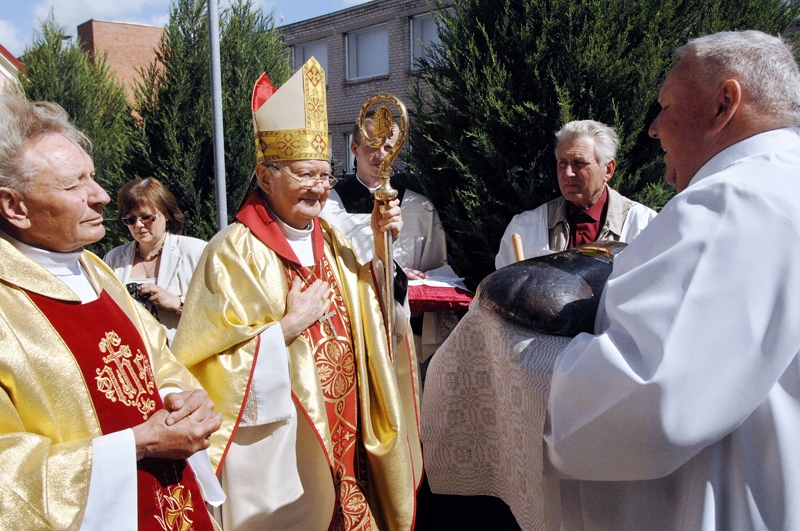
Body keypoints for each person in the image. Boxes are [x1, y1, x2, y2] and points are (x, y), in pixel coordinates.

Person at [544, 30, 800, 529]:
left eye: (664, 106)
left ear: (725, 103)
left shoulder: (733, 201)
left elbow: (647, 396)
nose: (655, 129)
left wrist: (523, 360)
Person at [171, 57, 422, 530]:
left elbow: (377, 314)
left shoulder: (334, 236)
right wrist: (285, 327)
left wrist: (383, 256)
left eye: (325, 176)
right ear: (266, 177)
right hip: (285, 442)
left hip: (349, 425)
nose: (320, 189)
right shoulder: (231, 253)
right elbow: (201, 364)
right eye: (305, 175)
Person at [0, 88, 223, 529]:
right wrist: (136, 445)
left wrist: (186, 400)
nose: (101, 195)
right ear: (13, 206)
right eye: (74, 185)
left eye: (92, 176)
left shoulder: (96, 271)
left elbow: (158, 360)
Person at [322, 113, 453, 362]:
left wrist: (412, 281)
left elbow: (436, 275)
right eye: (372, 145)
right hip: (351, 332)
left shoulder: (420, 207)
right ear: (354, 148)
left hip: (404, 333)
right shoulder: (327, 205)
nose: (381, 155)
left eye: (389, 147)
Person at [495, 120, 656, 269]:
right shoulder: (525, 229)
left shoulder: (645, 227)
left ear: (608, 169)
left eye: (579, 163)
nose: (568, 173)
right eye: (562, 163)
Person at [104, 177, 206, 343]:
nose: (138, 225)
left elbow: (224, 309)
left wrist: (176, 302)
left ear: (165, 214)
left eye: (146, 217)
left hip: (183, 357)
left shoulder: (195, 251)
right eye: (130, 219)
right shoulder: (114, 259)